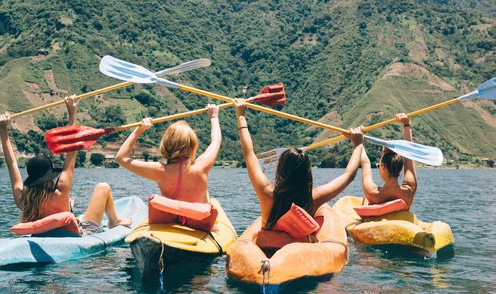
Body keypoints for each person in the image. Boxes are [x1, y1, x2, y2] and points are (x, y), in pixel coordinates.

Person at [0, 95, 131, 235]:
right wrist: (72, 113)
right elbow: (72, 147)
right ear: (49, 176)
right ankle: (114, 220)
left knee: (74, 208)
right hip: (81, 234)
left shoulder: (23, 200)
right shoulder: (60, 191)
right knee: (102, 187)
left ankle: (81, 216)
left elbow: (11, 163)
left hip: (48, 233)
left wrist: (2, 129)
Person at [232, 98, 365, 228]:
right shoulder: (314, 198)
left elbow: (248, 152)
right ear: (307, 172)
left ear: (280, 169)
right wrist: (358, 145)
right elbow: (349, 176)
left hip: (268, 249)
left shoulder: (266, 192)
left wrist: (241, 116)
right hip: (299, 247)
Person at [115, 104, 221, 205]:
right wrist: (214, 117)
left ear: (166, 144)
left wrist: (139, 130)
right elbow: (216, 140)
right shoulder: (202, 165)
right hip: (197, 221)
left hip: (172, 221)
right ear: (193, 145)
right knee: (206, 194)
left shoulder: (160, 170)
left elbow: (121, 158)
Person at [359, 113, 417, 208]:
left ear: (383, 167)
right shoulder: (409, 190)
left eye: (379, 165)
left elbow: (365, 163)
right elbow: (409, 155)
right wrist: (406, 124)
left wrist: (358, 141)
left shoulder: (373, 193)